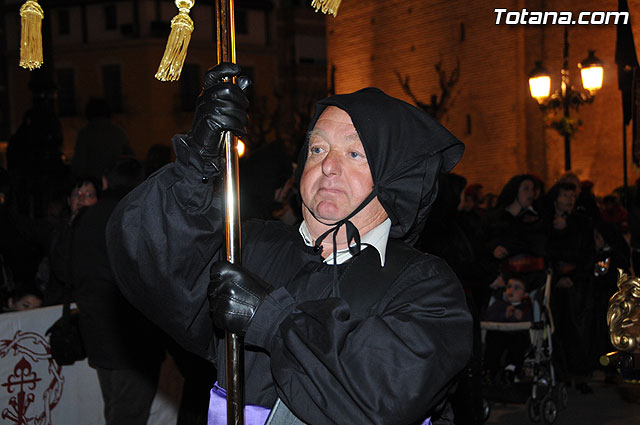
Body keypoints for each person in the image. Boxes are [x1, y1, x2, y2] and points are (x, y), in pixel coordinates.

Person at [106, 63, 472, 424]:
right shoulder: (250, 245)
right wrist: (197, 162)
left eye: (354, 153)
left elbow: (385, 395)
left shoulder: (426, 286)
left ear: (394, 178)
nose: (328, 166)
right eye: (316, 149)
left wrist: (271, 318)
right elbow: (147, 257)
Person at [72, 158, 165, 425]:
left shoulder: (86, 217)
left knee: (115, 409)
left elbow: (69, 269)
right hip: (134, 340)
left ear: (104, 182)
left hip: (98, 335)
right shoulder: (138, 214)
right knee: (129, 415)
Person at [482, 275, 533, 383]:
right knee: (493, 342)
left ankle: (510, 370)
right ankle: (489, 370)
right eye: (509, 286)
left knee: (519, 343)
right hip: (499, 334)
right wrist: (504, 315)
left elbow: (531, 323)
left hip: (517, 335)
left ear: (525, 294)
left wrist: (522, 318)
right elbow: (488, 318)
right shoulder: (498, 305)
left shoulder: (526, 308)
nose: (511, 290)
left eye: (517, 288)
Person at [71, 98, 133, 180]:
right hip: (115, 179)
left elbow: (79, 162)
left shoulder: (85, 133)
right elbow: (129, 156)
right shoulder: (118, 132)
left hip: (94, 180)